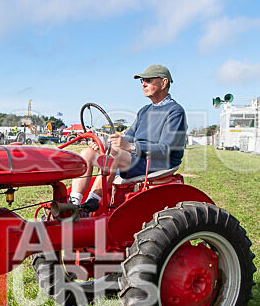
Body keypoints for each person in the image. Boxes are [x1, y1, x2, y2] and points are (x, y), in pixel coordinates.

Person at [69, 64, 186, 213]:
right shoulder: (144, 111)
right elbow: (129, 137)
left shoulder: (175, 111)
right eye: (142, 81)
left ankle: (89, 207)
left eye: (149, 80)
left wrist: (130, 147)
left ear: (164, 83)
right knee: (87, 153)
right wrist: (104, 144)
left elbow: (166, 149)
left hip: (158, 161)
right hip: (136, 158)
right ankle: (73, 204)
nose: (144, 84)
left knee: (114, 156)